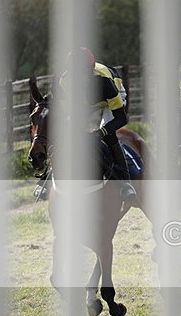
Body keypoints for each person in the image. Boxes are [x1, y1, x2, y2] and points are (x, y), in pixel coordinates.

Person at [54, 47, 137, 204]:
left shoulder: (104, 82)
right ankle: (49, 175)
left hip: (110, 98)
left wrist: (101, 132)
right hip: (86, 103)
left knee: (108, 134)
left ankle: (125, 183)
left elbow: (121, 119)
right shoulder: (64, 82)